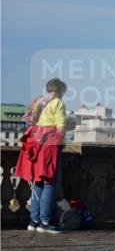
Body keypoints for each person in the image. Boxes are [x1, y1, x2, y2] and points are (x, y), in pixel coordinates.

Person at [16, 78, 69, 234]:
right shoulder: (58, 103)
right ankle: (45, 222)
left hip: (36, 144)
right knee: (49, 183)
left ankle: (34, 221)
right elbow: (61, 126)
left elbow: (29, 120)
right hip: (50, 145)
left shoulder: (38, 101)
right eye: (63, 93)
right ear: (59, 91)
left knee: (38, 181)